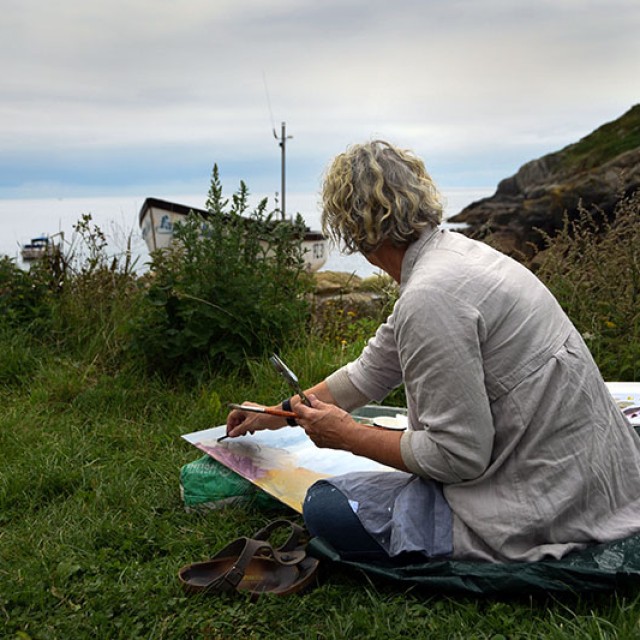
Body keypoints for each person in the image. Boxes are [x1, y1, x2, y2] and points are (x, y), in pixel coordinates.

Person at [226, 140, 640, 563]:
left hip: (549, 496)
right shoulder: (455, 257)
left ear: (352, 230)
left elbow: (458, 458)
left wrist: (348, 437)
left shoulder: (431, 295)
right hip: (589, 470)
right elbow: (369, 372)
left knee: (325, 506)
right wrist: (276, 414)